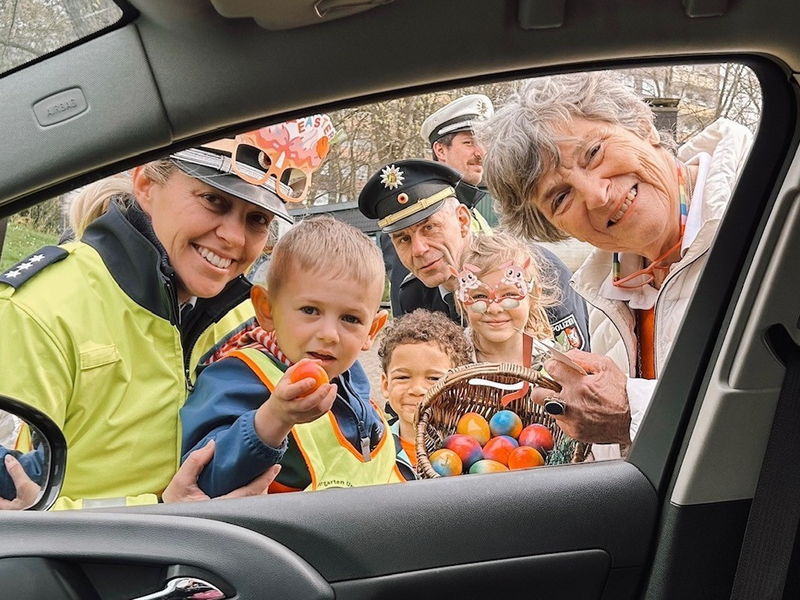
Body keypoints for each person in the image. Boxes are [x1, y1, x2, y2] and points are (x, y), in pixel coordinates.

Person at [0, 120, 333, 508]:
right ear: (146, 184)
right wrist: (160, 514)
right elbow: (19, 507)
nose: (235, 238)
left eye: (257, 219)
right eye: (214, 200)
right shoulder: (38, 308)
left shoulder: (247, 318)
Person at [479, 71, 753, 456]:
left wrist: (634, 410)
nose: (597, 195)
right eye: (560, 198)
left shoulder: (770, 215)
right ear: (555, 228)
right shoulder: (607, 296)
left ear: (644, 127)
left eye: (593, 152)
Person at [180, 215, 415, 496]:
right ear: (267, 310)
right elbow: (203, 477)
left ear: (372, 331)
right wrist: (274, 418)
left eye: (350, 319)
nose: (329, 334)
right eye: (310, 310)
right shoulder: (235, 377)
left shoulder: (351, 375)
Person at [357, 158, 591, 348]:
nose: (419, 249)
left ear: (462, 220)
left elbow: (577, 362)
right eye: (404, 239)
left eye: (429, 228)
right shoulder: (413, 296)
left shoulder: (532, 270)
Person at [379, 94, 494, 316]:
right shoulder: (408, 217)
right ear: (440, 150)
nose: (480, 153)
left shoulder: (476, 213)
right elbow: (412, 309)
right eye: (469, 142)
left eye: (483, 142)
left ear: (462, 219)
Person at [377, 309, 473, 471]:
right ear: (386, 385)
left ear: (458, 388)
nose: (416, 389)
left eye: (434, 379)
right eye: (403, 377)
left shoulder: (469, 450)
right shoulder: (374, 448)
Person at [455, 231, 559, 363]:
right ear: (463, 301)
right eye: (480, 296)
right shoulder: (449, 358)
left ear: (534, 296)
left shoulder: (552, 363)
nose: (494, 308)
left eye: (509, 294)